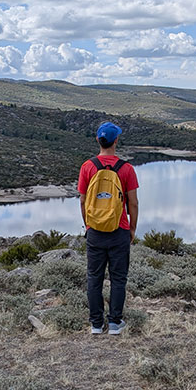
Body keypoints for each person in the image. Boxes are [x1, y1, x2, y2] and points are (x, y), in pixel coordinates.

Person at [78, 121, 139, 335]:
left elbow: (83, 200)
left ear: (98, 140)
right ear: (116, 140)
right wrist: (132, 229)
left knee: (94, 277)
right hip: (119, 230)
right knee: (118, 278)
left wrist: (88, 225)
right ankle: (114, 323)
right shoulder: (126, 169)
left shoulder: (88, 167)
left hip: (94, 230)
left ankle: (96, 324)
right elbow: (133, 203)